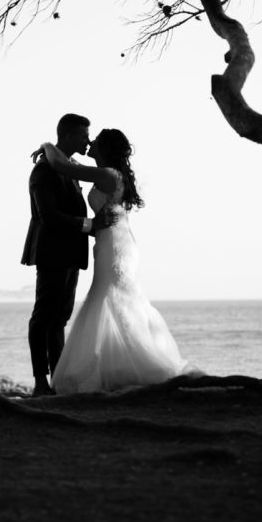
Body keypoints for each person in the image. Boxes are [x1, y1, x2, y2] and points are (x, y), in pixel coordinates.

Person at [36, 128, 193, 395]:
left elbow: (61, 164)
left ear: (105, 148)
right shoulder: (107, 173)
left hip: (115, 245)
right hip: (110, 241)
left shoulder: (107, 174)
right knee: (112, 297)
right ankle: (117, 364)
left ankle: (128, 365)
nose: (90, 141)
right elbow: (68, 164)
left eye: (95, 140)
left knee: (109, 296)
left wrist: (46, 143)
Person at [21, 113, 114, 397]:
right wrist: (90, 226)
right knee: (43, 316)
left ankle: (58, 380)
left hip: (71, 253)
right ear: (70, 135)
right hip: (51, 252)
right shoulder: (44, 170)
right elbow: (48, 216)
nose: (88, 141)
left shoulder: (68, 166)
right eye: (85, 136)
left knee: (60, 317)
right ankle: (40, 382)